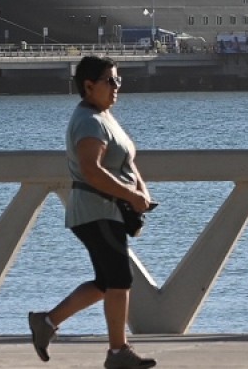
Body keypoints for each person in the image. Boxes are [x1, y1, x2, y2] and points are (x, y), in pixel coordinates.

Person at [29, 55, 158, 369]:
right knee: (119, 278)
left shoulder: (103, 116)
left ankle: (46, 322)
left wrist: (141, 192)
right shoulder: (89, 121)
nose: (116, 87)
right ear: (89, 86)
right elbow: (92, 170)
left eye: (119, 80)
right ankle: (118, 352)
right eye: (110, 81)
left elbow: (125, 160)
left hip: (108, 210)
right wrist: (130, 194)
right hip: (96, 210)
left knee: (106, 281)